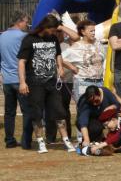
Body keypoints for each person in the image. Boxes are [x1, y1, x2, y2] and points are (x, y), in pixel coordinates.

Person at [17, 14, 76, 153]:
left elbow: (58, 54)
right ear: (46, 27)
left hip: (52, 83)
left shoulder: (53, 38)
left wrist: (60, 67)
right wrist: (22, 82)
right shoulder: (29, 39)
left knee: (59, 112)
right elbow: (21, 62)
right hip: (35, 83)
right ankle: (41, 142)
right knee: (37, 114)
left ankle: (66, 141)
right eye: (53, 30)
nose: (55, 32)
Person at [1, 11, 32, 149]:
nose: (27, 24)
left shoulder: (2, 36)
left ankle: (9, 140)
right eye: (26, 22)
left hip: (7, 80)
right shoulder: (24, 36)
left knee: (9, 112)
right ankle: (26, 141)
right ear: (19, 21)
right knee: (27, 111)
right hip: (21, 79)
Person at [62, 19, 106, 98]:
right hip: (83, 83)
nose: (93, 33)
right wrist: (72, 67)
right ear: (83, 32)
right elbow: (60, 58)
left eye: (94, 31)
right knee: (84, 108)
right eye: (91, 31)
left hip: (99, 82)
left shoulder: (99, 43)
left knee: (99, 108)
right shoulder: (76, 47)